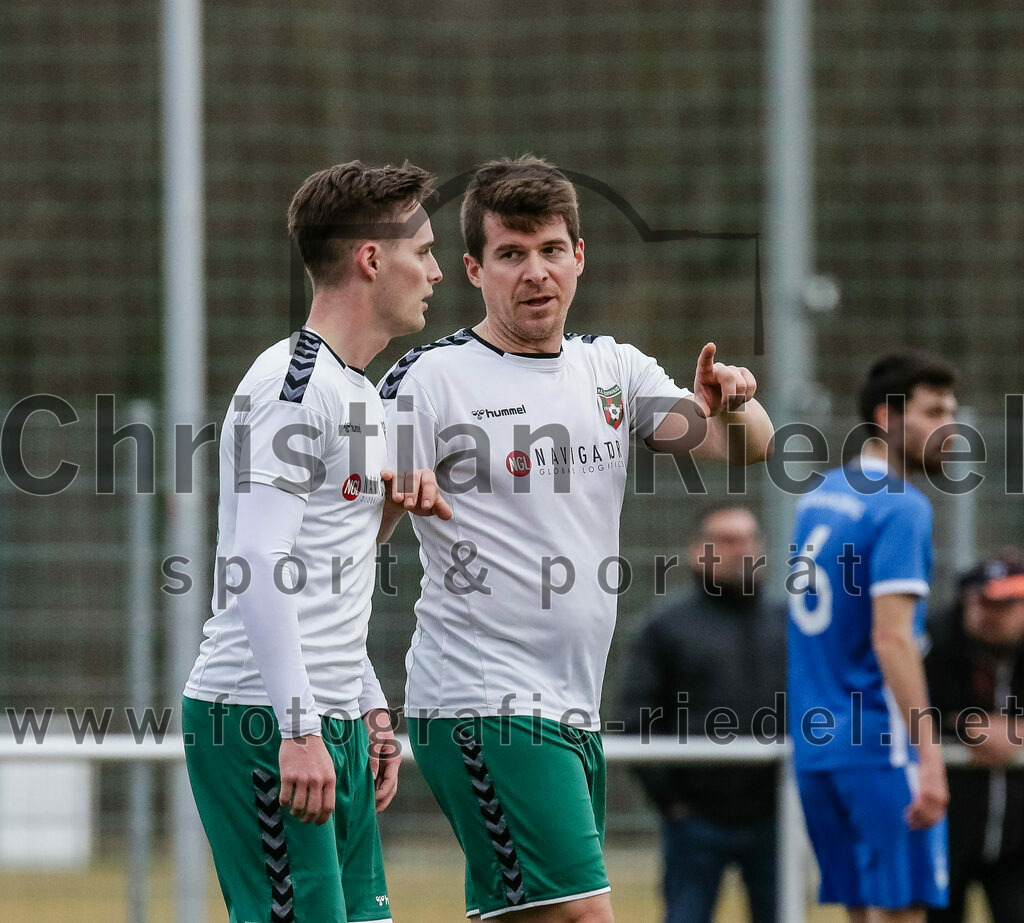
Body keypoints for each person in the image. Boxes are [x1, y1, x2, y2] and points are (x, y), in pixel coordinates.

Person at [377, 155, 775, 922]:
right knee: (585, 913)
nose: (536, 272)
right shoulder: (429, 379)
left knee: (534, 914)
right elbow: (358, 530)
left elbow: (744, 446)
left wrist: (734, 401)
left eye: (551, 249)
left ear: (579, 256)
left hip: (570, 704)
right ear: (474, 269)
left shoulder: (612, 368)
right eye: (511, 253)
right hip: (481, 698)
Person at [182, 161, 451, 923]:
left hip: (327, 717)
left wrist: (365, 703)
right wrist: (300, 726)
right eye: (423, 251)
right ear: (371, 259)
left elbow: (326, 571)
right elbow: (258, 562)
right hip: (262, 716)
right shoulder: (291, 387)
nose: (435, 271)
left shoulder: (360, 392)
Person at [787, 351, 957, 923]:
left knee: (861, 913)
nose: (950, 429)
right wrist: (930, 758)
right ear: (887, 417)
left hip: (818, 750)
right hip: (881, 747)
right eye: (933, 413)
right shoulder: (902, 507)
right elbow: (892, 640)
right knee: (903, 912)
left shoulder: (819, 497)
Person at [619, 505, 786, 923]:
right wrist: (670, 801)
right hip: (695, 820)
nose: (741, 550)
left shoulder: (787, 623)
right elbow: (632, 719)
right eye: (727, 541)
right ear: (699, 551)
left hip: (776, 816)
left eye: (749, 539)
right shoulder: (666, 626)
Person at [925, 554, 1024, 923]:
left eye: (1006, 604)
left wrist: (1014, 733)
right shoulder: (934, 642)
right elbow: (905, 708)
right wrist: (964, 724)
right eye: (982, 603)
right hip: (945, 832)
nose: (991, 615)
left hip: (1017, 841)